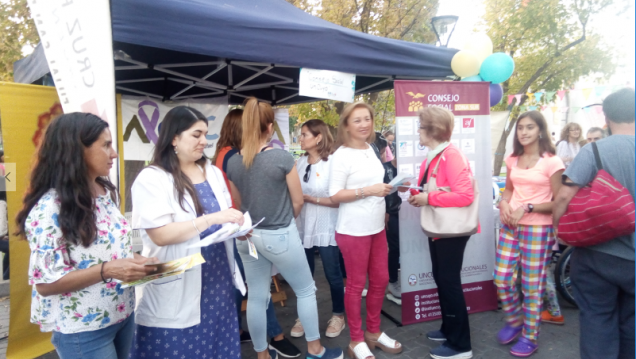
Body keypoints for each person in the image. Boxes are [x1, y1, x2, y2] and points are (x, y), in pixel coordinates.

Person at [16, 113, 156, 359]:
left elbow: (106, 249)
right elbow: (46, 283)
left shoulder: (103, 192)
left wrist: (136, 262)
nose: (114, 153)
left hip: (121, 314)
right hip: (84, 330)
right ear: (76, 150)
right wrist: (109, 269)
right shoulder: (49, 208)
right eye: (105, 145)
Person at [227, 97, 342, 359]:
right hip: (279, 234)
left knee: (257, 296)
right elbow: (297, 200)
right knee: (305, 290)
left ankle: (262, 355)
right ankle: (315, 349)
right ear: (270, 128)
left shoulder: (233, 161)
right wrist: (286, 218)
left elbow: (239, 202)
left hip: (247, 238)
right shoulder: (281, 157)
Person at [130, 106, 246, 359]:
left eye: (205, 134)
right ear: (174, 138)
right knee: (178, 347)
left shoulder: (213, 173)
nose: (204, 141)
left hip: (217, 278)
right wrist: (211, 219)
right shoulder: (152, 178)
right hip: (176, 277)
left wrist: (237, 227)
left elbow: (224, 218)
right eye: (196, 135)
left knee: (217, 345)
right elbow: (160, 235)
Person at [553, 88, 635, 359]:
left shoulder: (594, 150)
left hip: (596, 255)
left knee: (597, 319)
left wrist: (559, 231)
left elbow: (564, 194)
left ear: (607, 117)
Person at [214, 109, 301, 358]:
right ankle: (274, 337)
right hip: (244, 229)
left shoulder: (226, 155)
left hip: (240, 229)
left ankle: (249, 336)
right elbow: (240, 198)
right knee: (256, 289)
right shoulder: (233, 156)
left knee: (249, 287)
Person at [329, 102, 401, 359]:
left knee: (381, 280)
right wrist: (369, 191)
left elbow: (375, 183)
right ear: (346, 125)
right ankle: (356, 340)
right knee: (356, 285)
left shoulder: (371, 149)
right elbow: (335, 194)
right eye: (357, 120)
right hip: (352, 230)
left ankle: (373, 332)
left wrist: (391, 188)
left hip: (376, 227)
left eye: (367, 119)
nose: (364, 124)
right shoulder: (341, 155)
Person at [494, 111, 565, 357]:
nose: (523, 132)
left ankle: (530, 336)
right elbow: (508, 191)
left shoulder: (552, 161)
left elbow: (559, 201)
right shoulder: (513, 159)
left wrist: (528, 207)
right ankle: (514, 320)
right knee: (502, 278)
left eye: (530, 127)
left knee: (531, 286)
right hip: (510, 225)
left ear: (540, 131)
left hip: (538, 228)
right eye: (521, 128)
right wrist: (504, 204)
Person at [407, 107, 475, 359]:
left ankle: (460, 346)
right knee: (442, 279)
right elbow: (433, 191)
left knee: (449, 281)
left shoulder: (451, 155)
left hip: (452, 230)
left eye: (421, 126)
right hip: (440, 228)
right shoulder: (433, 156)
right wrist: (417, 193)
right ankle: (449, 329)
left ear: (433, 129)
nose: (418, 131)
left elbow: (465, 195)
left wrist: (428, 197)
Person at [293, 119, 346, 339]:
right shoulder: (299, 163)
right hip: (304, 225)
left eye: (304, 134)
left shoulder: (333, 162)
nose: (300, 138)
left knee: (333, 274)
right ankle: (304, 316)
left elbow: (338, 200)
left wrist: (310, 199)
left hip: (327, 225)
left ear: (319, 137)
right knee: (304, 275)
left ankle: (338, 315)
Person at [371, 133, 402, 306]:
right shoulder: (384, 168)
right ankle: (392, 282)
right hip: (391, 213)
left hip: (411, 211)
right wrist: (386, 212)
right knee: (395, 248)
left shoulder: (414, 167)